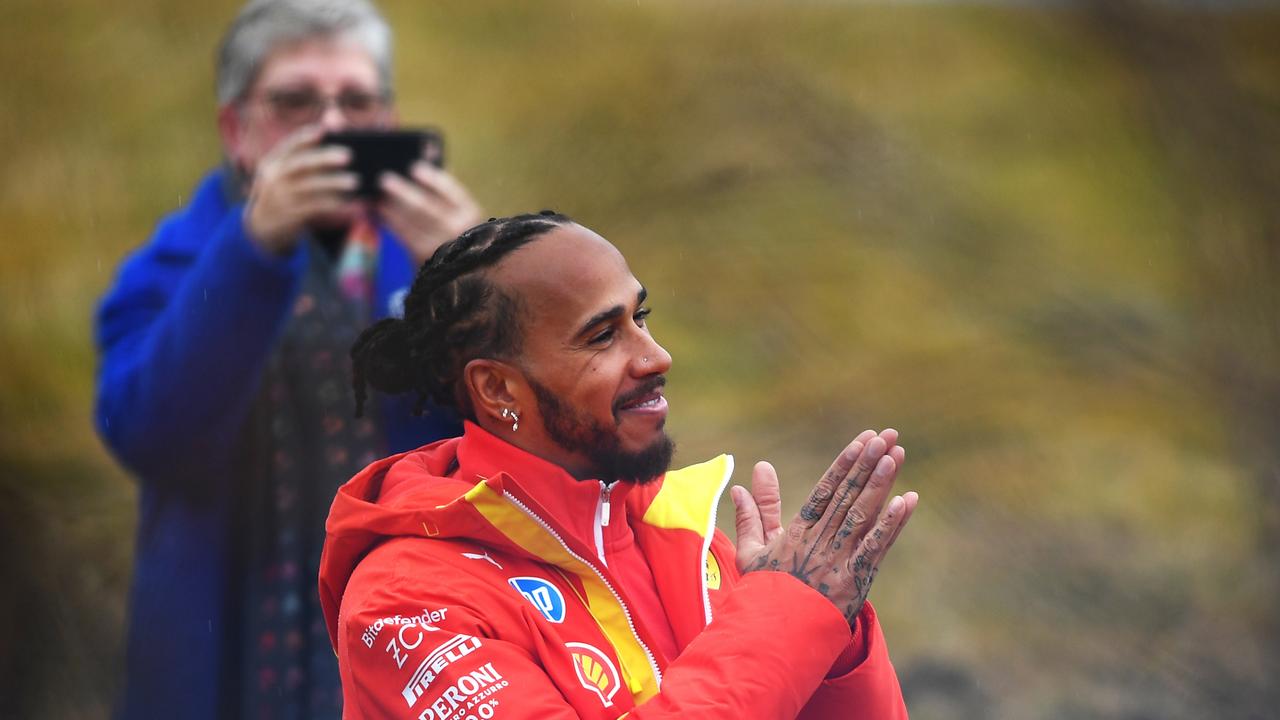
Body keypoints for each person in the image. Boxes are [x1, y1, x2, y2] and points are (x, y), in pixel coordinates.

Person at [321, 212, 920, 718]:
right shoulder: (405, 604)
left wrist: (829, 635)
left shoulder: (684, 537)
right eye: (603, 336)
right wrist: (784, 618)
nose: (655, 356)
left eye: (642, 317)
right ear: (499, 389)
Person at [93, 1, 482, 717]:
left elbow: (523, 449)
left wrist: (477, 290)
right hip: (225, 659)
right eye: (295, 101)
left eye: (357, 102)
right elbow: (148, 433)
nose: (331, 126)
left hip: (415, 643)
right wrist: (253, 250)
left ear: (388, 119)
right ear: (236, 130)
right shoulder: (168, 268)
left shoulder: (432, 262)